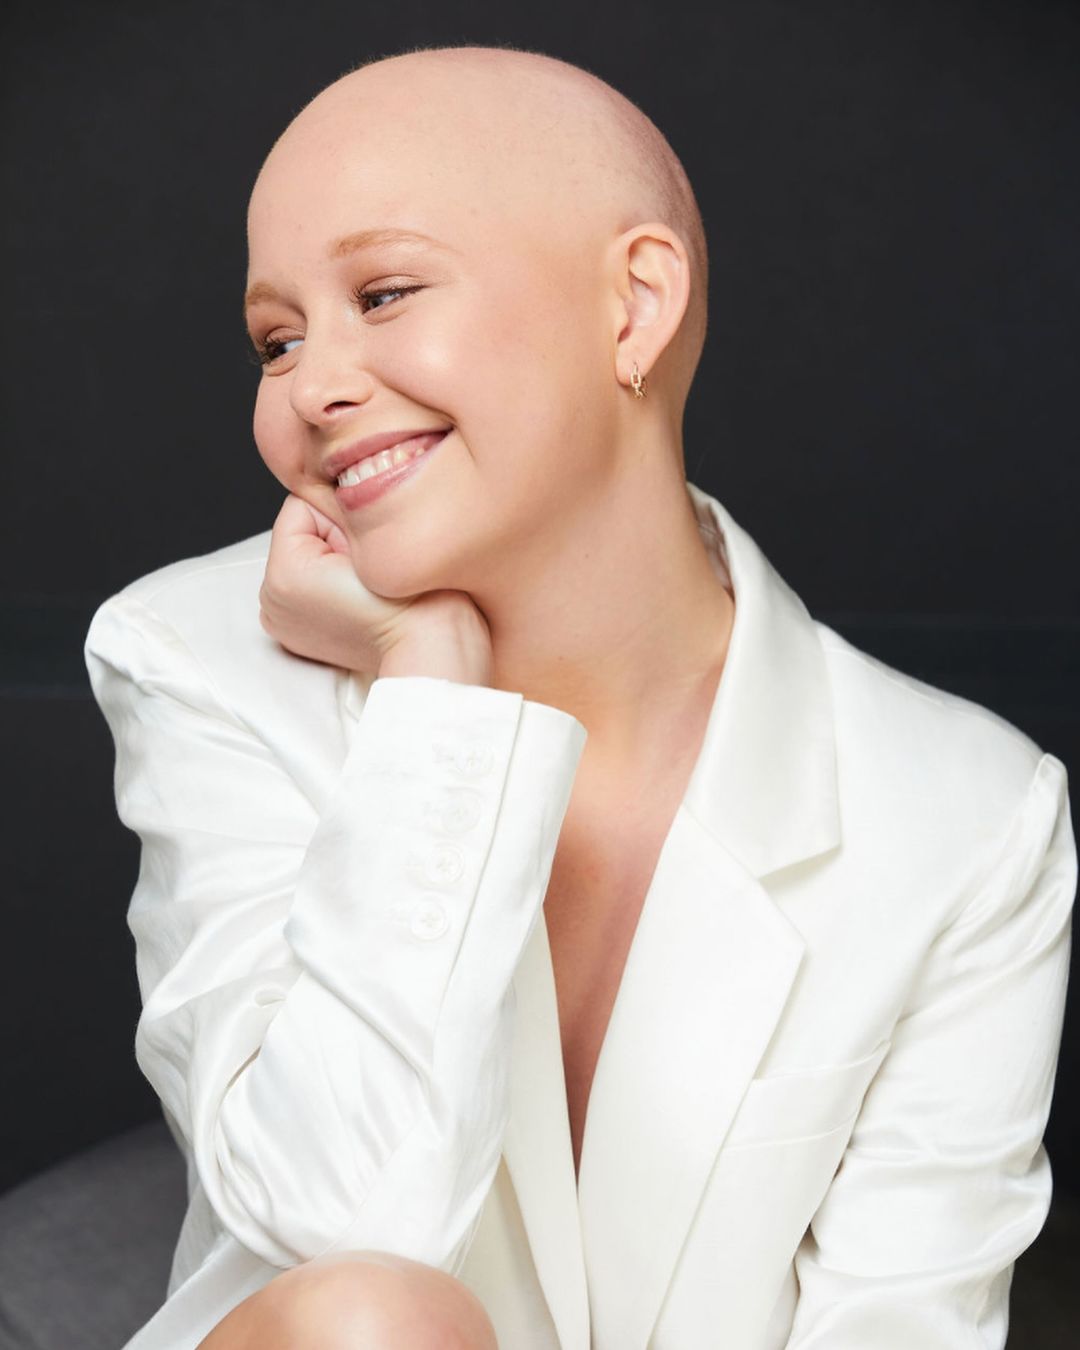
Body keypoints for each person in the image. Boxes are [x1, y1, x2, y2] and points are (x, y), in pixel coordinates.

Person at [84, 42, 1075, 1350]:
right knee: (377, 1317)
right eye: (278, 339)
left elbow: (904, 1323)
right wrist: (432, 695)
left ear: (634, 306)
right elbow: (346, 1221)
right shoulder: (199, 656)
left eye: (383, 293)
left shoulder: (972, 815)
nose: (312, 387)